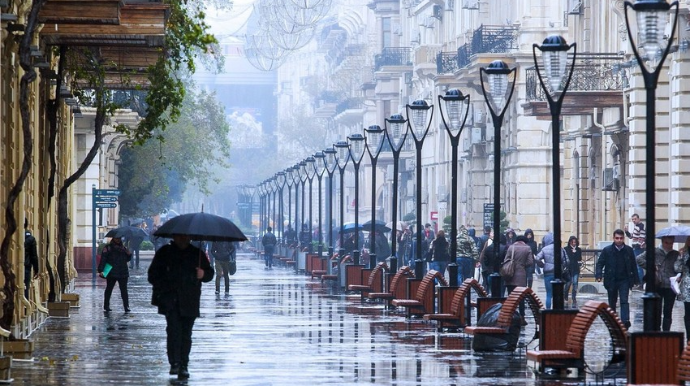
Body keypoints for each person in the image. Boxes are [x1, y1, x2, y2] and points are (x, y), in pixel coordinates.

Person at [148, 234, 214, 380]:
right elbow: (152, 275)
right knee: (173, 331)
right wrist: (164, 284)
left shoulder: (197, 254)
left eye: (185, 237)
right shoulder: (165, 252)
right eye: (180, 236)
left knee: (186, 334)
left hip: (190, 300)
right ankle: (175, 362)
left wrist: (203, 274)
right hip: (170, 300)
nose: (183, 239)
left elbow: (209, 273)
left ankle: (184, 364)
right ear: (175, 237)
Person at [595, 229, 639, 329]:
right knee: (612, 301)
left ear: (623, 238)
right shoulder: (607, 250)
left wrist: (636, 280)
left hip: (624, 279)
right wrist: (598, 275)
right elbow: (600, 263)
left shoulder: (628, 250)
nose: (619, 240)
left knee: (624, 300)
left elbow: (633, 265)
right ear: (613, 238)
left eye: (621, 238)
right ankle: (613, 320)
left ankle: (625, 321)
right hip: (611, 279)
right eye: (617, 238)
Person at [636, 235, 679, 331]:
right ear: (662, 242)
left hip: (670, 286)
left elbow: (678, 268)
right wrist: (651, 266)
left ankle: (666, 332)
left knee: (668, 312)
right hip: (657, 285)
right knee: (657, 311)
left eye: (671, 243)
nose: (669, 245)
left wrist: (678, 275)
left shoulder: (675, 254)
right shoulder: (654, 251)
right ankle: (657, 331)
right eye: (667, 243)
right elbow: (639, 259)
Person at [502, 235, 534, 320]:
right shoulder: (527, 248)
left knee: (511, 297)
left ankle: (510, 315)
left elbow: (506, 260)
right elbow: (530, 262)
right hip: (521, 276)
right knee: (521, 297)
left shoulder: (511, 247)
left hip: (510, 275)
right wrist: (522, 265)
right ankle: (522, 316)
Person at [97, 236, 132, 314]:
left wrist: (129, 254)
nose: (118, 240)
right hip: (112, 271)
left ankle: (126, 306)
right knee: (109, 289)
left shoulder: (123, 248)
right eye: (116, 238)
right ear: (113, 239)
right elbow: (103, 259)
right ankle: (106, 305)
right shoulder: (108, 248)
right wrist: (101, 270)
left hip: (123, 271)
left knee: (124, 290)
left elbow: (127, 259)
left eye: (119, 238)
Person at [535, 233, 568, 309]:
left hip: (548, 273)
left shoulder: (544, 249)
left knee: (549, 294)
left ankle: (548, 309)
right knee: (558, 294)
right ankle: (558, 309)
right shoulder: (561, 249)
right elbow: (567, 261)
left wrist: (542, 265)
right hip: (558, 273)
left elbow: (537, 258)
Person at [674, 236, 690, 342]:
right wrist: (680, 257)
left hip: (687, 286)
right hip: (687, 287)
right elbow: (677, 268)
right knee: (688, 313)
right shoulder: (683, 253)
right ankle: (689, 336)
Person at [626, 213, 646, 287]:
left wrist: (639, 244)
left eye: (635, 219)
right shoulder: (636, 227)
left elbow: (642, 238)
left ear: (638, 219)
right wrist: (626, 231)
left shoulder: (641, 226)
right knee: (636, 264)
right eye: (632, 219)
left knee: (638, 265)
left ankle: (639, 282)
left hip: (638, 248)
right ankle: (638, 281)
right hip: (635, 247)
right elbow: (632, 237)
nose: (634, 221)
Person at [563, 235, 582, 306]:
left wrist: (575, 252)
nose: (574, 243)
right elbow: (566, 258)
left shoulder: (578, 249)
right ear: (570, 242)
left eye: (575, 242)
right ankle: (565, 296)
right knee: (568, 284)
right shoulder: (566, 249)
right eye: (572, 242)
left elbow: (579, 258)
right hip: (568, 269)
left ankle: (574, 297)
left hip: (576, 269)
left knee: (575, 284)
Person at [24, 219, 39, 299]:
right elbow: (34, 256)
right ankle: (25, 310)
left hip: (15, 268)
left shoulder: (14, 237)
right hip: (26, 267)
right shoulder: (31, 239)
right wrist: (36, 270)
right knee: (25, 288)